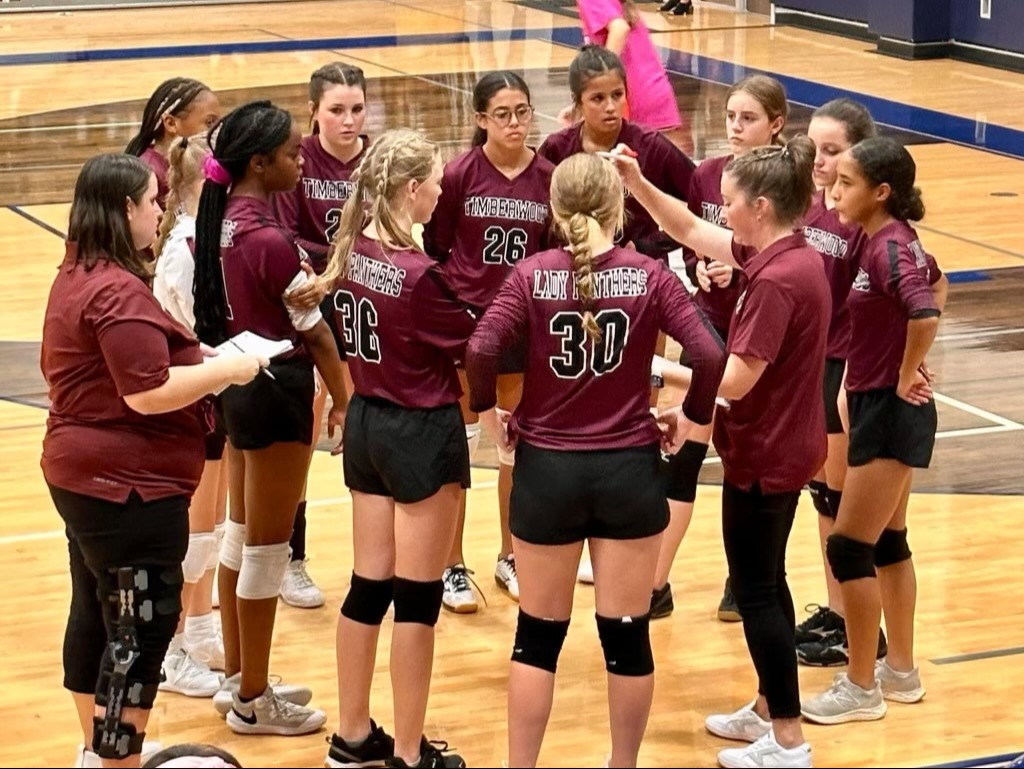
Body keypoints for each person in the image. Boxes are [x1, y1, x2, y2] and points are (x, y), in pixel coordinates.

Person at [466, 152, 725, 768]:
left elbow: (479, 348)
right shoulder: (651, 277)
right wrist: (691, 422)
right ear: (620, 207)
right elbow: (710, 356)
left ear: (554, 210)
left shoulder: (530, 275)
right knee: (627, 639)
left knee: (537, 639)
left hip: (546, 474)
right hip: (629, 473)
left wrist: (487, 417)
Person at [613, 134, 828, 768]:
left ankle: (788, 738)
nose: (720, 210)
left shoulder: (775, 281)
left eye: (729, 201)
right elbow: (684, 225)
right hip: (782, 442)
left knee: (757, 588)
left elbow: (734, 379)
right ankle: (768, 708)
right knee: (771, 580)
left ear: (760, 205)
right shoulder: (787, 252)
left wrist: (654, 372)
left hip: (768, 453)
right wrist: (636, 183)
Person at [43, 152, 263, 767]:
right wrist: (227, 369)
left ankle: (99, 749)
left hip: (87, 480)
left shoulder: (79, 272)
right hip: (127, 490)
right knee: (138, 635)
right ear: (124, 209)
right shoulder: (114, 290)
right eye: (152, 200)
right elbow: (146, 390)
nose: (160, 209)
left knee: (94, 609)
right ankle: (119, 759)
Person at [192, 100, 348, 735]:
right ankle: (255, 698)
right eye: (289, 152)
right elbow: (314, 336)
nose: (300, 157)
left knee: (239, 534)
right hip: (277, 391)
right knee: (267, 550)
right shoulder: (268, 240)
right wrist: (344, 395)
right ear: (258, 162)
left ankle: (237, 675)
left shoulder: (222, 222)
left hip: (236, 388)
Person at [317, 130, 470, 769]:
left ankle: (352, 736)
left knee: (365, 588)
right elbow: (475, 348)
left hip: (368, 423)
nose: (442, 190)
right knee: (418, 598)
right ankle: (409, 752)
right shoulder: (420, 276)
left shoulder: (349, 252)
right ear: (412, 189)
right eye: (435, 180)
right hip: (420, 432)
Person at [801, 137, 948, 727]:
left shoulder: (888, 249)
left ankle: (861, 685)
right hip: (875, 401)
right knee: (887, 541)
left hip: (890, 412)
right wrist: (867, 372)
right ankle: (901, 673)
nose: (835, 191)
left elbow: (927, 307)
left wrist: (907, 368)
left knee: (848, 546)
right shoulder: (881, 242)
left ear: (881, 192)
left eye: (848, 183)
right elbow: (935, 282)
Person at [423, 70, 554, 614]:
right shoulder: (459, 174)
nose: (516, 123)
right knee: (457, 444)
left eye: (523, 111)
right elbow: (435, 243)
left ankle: (511, 554)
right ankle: (451, 564)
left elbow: (551, 252)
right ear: (481, 119)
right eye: (502, 113)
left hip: (522, 326)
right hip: (467, 324)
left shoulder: (547, 176)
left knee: (514, 447)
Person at [273, 61, 370, 609]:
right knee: (304, 438)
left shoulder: (377, 159)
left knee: (370, 429)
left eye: (357, 108)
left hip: (367, 309)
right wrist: (335, 264)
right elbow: (285, 238)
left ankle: (382, 559)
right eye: (336, 110)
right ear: (313, 112)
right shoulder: (298, 161)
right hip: (309, 310)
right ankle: (292, 555)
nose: (349, 120)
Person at [152, 136, 227, 697]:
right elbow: (194, 335)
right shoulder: (184, 247)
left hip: (217, 392)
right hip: (191, 399)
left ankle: (200, 628)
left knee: (216, 524)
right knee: (195, 535)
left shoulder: (211, 237)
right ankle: (171, 653)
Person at [125, 78, 221, 208]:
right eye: (209, 122)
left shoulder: (191, 162)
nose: (218, 130)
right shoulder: (148, 174)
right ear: (171, 123)